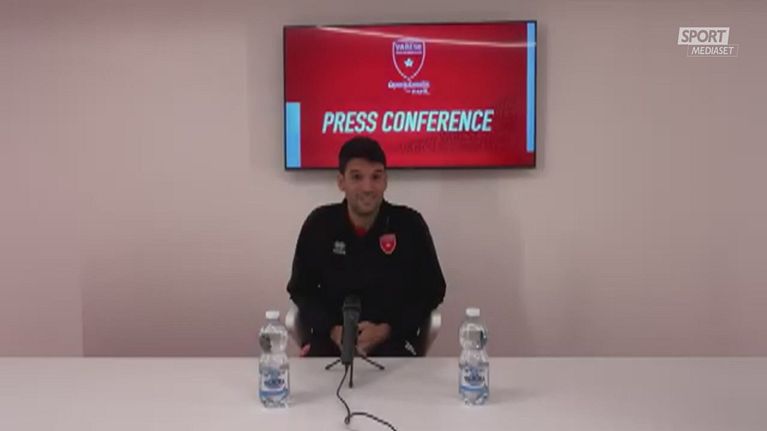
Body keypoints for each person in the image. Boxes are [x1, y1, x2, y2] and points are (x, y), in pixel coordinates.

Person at [287, 136, 446, 357]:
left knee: (403, 376)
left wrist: (387, 329)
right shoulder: (319, 224)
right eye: (357, 177)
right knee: (311, 375)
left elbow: (433, 290)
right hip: (332, 341)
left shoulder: (410, 225)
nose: (368, 187)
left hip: (393, 341)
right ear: (341, 182)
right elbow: (300, 289)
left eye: (376, 177)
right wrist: (332, 329)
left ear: (386, 181)